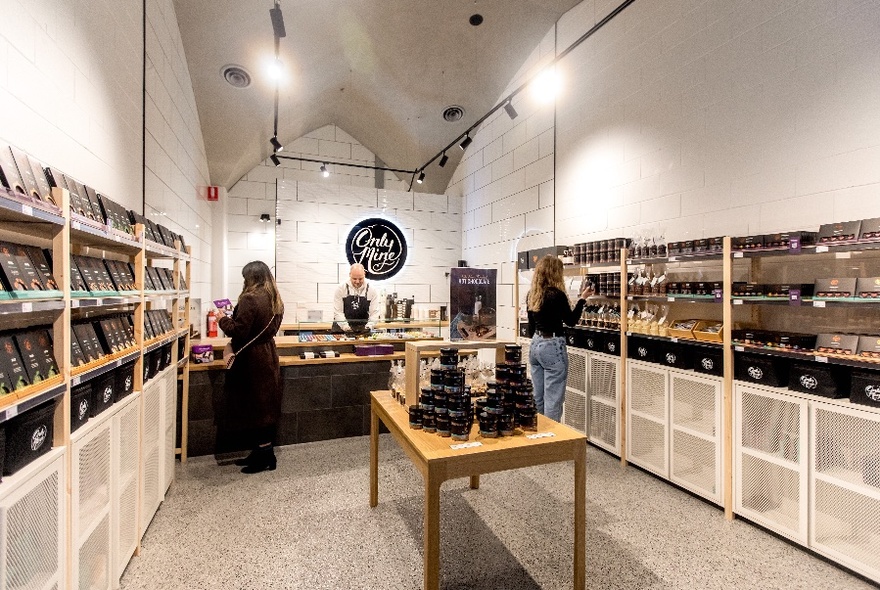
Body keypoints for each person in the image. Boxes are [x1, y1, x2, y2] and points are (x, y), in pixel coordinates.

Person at [218, 261, 284, 473]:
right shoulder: (275, 299)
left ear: (251, 278)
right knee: (264, 407)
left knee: (255, 409)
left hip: (251, 360)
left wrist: (222, 320)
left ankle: (264, 458)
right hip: (268, 355)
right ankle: (262, 453)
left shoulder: (250, 298)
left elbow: (239, 331)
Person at [526, 255, 592, 422]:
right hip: (552, 345)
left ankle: (537, 431)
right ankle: (551, 440)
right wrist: (582, 300)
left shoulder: (532, 294)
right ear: (555, 273)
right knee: (553, 399)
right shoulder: (557, 295)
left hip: (535, 345)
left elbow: (531, 326)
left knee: (538, 396)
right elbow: (571, 321)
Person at [332, 263, 380, 334]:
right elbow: (338, 312)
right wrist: (346, 327)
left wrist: (368, 326)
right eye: (354, 279)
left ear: (364, 274)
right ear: (349, 275)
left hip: (363, 329)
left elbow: (374, 313)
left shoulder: (371, 290)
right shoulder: (341, 289)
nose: (357, 282)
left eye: (360, 279)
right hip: (341, 330)